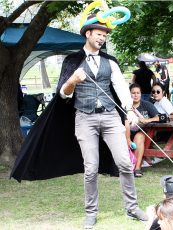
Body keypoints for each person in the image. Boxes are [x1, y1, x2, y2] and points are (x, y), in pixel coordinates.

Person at [58, 14, 147, 227]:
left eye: (105, 35)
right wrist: (72, 81)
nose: (102, 38)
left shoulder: (110, 62)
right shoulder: (72, 61)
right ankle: (91, 213)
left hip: (109, 116)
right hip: (84, 118)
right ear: (87, 33)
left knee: (125, 163)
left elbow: (120, 89)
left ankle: (132, 209)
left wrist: (130, 110)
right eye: (99, 34)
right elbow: (63, 94)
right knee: (91, 168)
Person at [129, 84, 160, 177]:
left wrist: (147, 120)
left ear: (141, 94)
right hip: (127, 132)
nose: (136, 95)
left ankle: (137, 167)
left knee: (139, 136)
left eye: (138, 93)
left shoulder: (147, 104)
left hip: (144, 133)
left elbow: (159, 117)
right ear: (129, 94)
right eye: (133, 93)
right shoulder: (125, 105)